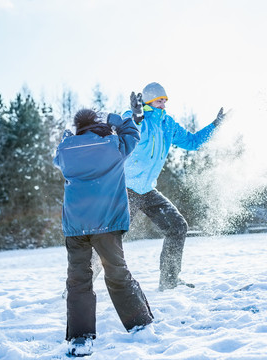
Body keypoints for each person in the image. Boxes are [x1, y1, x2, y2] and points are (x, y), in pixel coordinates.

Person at [54, 109, 153, 357]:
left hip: (76, 226)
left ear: (78, 127)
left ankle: (80, 338)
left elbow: (57, 160)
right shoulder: (112, 144)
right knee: (117, 272)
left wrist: (65, 141)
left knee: (78, 280)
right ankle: (139, 324)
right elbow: (133, 134)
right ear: (97, 124)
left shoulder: (66, 149)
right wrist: (119, 121)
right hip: (106, 222)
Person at [122, 82, 227, 291]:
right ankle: (79, 286)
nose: (163, 104)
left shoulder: (167, 124)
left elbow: (193, 142)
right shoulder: (135, 117)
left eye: (165, 100)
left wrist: (215, 125)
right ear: (150, 102)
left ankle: (169, 280)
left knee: (177, 226)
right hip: (125, 188)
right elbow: (130, 131)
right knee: (111, 240)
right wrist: (136, 118)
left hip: (147, 189)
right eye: (159, 100)